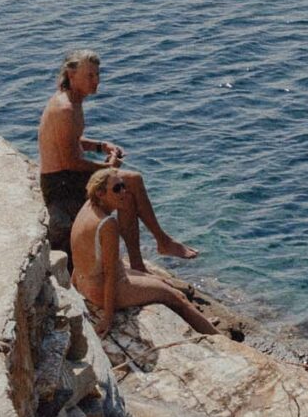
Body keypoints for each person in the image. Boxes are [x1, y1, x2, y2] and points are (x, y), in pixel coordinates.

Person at [37, 47, 198, 263]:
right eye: (90, 75)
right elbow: (69, 161)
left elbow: (68, 142)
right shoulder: (64, 109)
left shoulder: (72, 101)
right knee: (133, 180)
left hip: (68, 177)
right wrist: (107, 169)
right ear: (71, 74)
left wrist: (101, 146)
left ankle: (138, 263)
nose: (96, 81)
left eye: (97, 75)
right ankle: (162, 241)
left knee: (127, 194)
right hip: (61, 185)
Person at [71, 168, 216, 338]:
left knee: (161, 281)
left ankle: (196, 320)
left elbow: (80, 255)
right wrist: (108, 318)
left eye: (123, 186)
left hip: (84, 282)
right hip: (102, 289)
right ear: (101, 193)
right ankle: (216, 336)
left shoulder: (88, 207)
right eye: (117, 189)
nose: (124, 192)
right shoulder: (107, 224)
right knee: (177, 297)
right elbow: (110, 274)